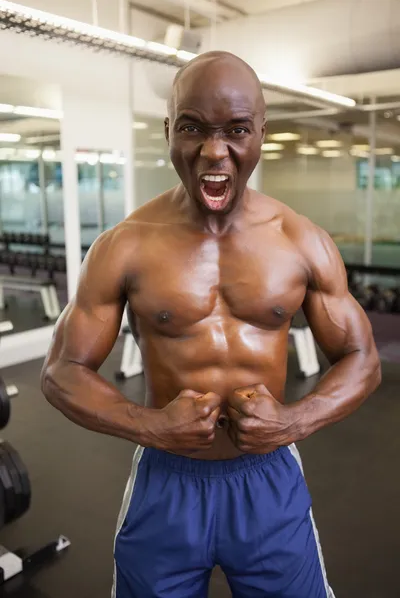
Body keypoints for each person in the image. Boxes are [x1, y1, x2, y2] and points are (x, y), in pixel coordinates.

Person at [41, 51, 381, 598]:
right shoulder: (124, 245)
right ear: (169, 129)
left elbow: (363, 359)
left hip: (268, 481)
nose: (213, 151)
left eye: (236, 130)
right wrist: (150, 426)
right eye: (193, 128)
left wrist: (293, 422)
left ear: (261, 134)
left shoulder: (301, 240)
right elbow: (61, 371)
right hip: (167, 481)